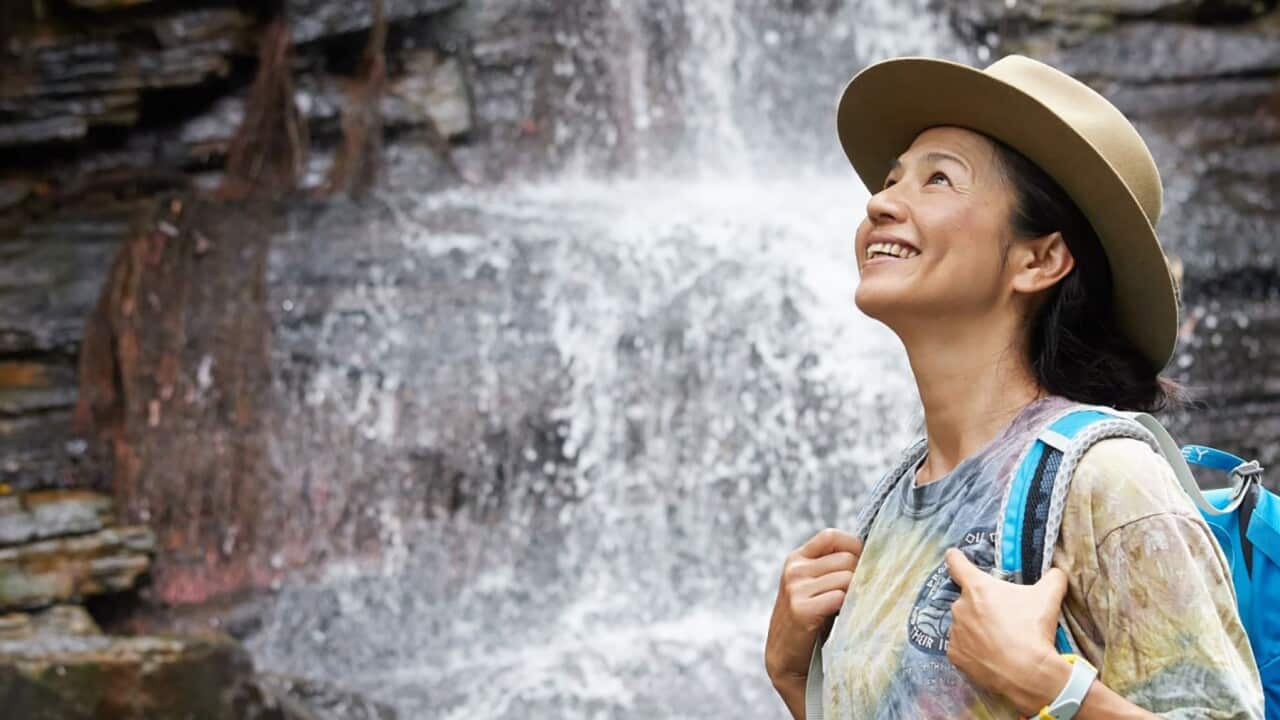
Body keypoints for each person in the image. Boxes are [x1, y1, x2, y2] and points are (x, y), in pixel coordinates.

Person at [764, 55, 1265, 719]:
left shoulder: (1106, 479)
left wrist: (1051, 689)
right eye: (891, 180)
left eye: (937, 178)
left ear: (1040, 259)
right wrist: (796, 680)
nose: (880, 202)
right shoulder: (891, 506)